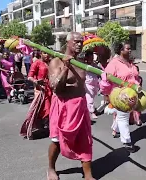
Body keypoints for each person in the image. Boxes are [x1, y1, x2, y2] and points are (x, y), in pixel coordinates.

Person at [47, 32, 94, 180]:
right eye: (76, 41)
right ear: (68, 43)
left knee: (85, 141)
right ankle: (51, 168)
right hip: (63, 107)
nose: (79, 44)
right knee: (57, 141)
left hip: (80, 106)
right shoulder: (56, 62)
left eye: (81, 42)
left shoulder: (82, 63)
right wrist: (66, 67)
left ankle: (88, 175)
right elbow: (55, 87)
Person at [100, 42, 140, 152]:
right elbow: (106, 79)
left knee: (122, 115)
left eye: (130, 48)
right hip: (120, 95)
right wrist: (107, 94)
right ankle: (126, 141)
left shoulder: (130, 62)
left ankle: (115, 129)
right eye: (128, 48)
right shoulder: (114, 63)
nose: (130, 50)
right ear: (121, 50)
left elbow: (135, 77)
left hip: (131, 94)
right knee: (124, 117)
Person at [20, 51, 52, 139]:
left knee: (51, 108)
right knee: (43, 108)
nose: (47, 55)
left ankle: (48, 127)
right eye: (45, 53)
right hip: (40, 89)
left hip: (50, 88)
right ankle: (40, 127)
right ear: (41, 53)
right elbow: (30, 76)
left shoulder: (50, 62)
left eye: (48, 53)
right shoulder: (37, 62)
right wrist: (36, 82)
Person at [84, 50, 100, 119]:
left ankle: (87, 109)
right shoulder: (83, 65)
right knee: (89, 99)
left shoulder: (94, 65)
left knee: (91, 99)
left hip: (95, 85)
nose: (91, 59)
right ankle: (92, 112)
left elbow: (99, 71)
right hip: (87, 84)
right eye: (90, 57)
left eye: (92, 57)